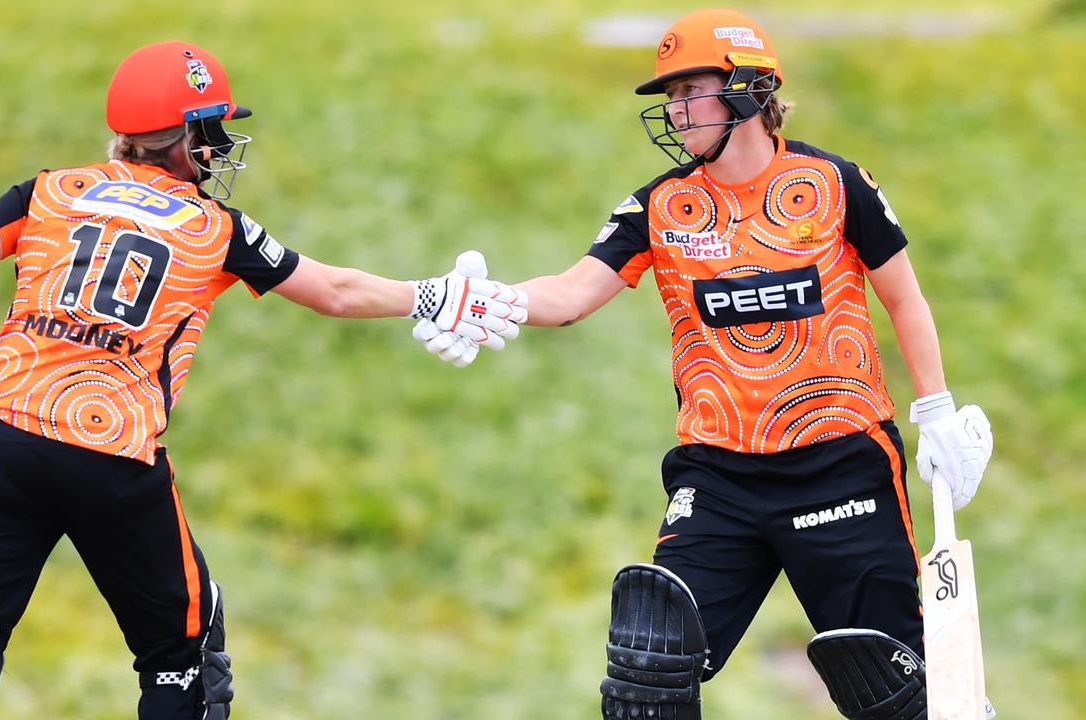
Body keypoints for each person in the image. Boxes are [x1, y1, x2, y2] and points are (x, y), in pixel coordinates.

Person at [0, 40, 526, 720]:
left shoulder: (49, 190)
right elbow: (333, 291)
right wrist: (434, 296)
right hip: (113, 454)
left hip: (0, 439)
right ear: (183, 138)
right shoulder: (216, 227)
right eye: (209, 132)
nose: (217, 149)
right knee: (182, 661)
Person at [416, 9, 993, 720]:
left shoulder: (837, 185)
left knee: (897, 690)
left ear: (750, 89)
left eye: (691, 90)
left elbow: (905, 299)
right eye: (670, 95)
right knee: (647, 676)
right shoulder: (661, 204)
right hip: (718, 477)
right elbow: (570, 294)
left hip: (841, 464)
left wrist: (934, 408)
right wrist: (489, 301)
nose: (675, 110)